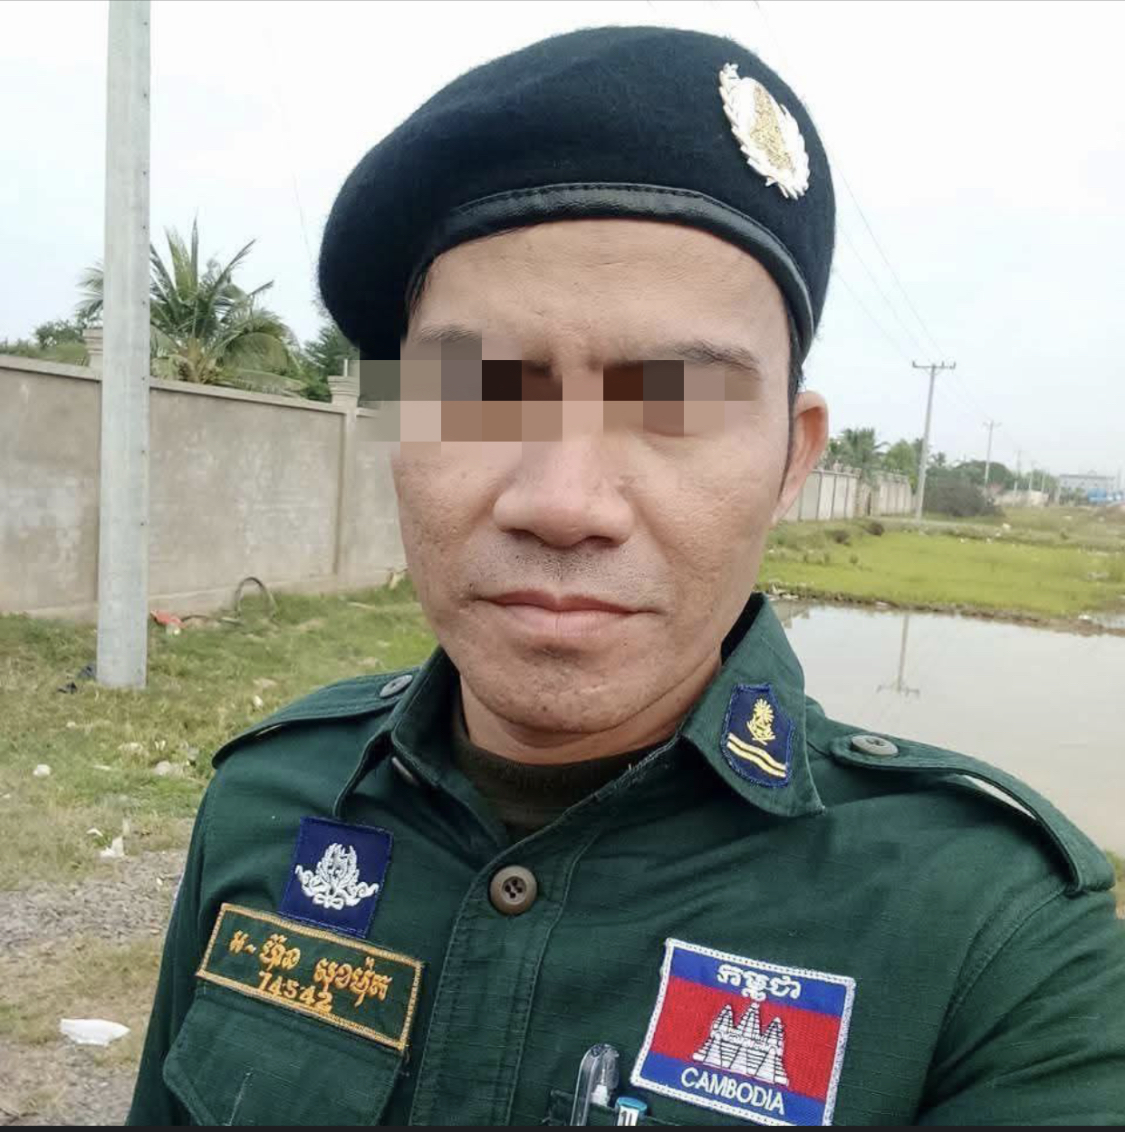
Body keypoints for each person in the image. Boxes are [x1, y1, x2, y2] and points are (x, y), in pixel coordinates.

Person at [128, 25, 1125, 1127]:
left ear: (791, 460)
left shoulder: (994, 939)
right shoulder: (271, 799)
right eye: (481, 391)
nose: (564, 502)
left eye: (676, 402)